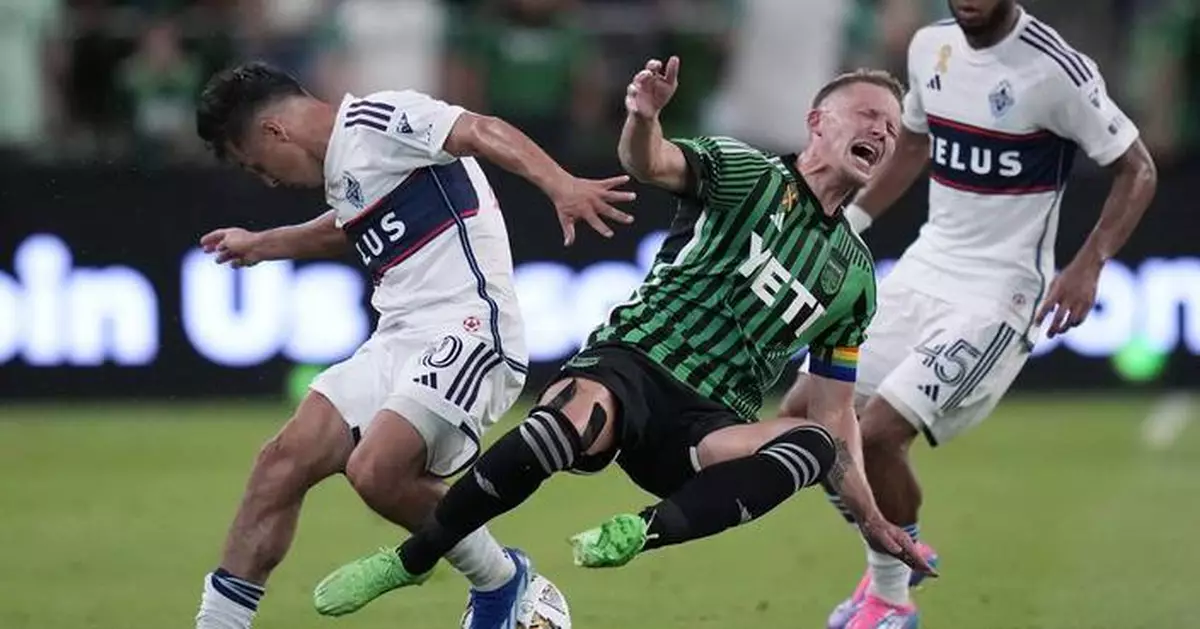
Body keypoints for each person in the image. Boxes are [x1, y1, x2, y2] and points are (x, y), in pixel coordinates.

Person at [310, 56, 937, 619]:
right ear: (817, 122)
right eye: (866, 114)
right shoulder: (751, 174)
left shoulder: (856, 278)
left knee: (815, 444)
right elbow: (652, 162)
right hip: (635, 361)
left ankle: (641, 532)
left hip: (708, 427)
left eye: (890, 126)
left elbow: (833, 411)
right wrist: (643, 117)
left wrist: (873, 519)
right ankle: (413, 559)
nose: (883, 131)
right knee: (567, 426)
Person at [190, 61, 636, 629]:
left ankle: (501, 578)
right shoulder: (347, 169)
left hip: (471, 327)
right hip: (398, 336)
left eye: (258, 166)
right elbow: (349, 224)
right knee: (280, 463)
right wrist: (264, 244)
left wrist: (561, 184)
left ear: (274, 132)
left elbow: (479, 130)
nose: (268, 181)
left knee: (375, 472)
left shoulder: (376, 119)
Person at [779, 2, 1158, 628]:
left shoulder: (1055, 69)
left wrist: (1090, 263)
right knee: (802, 418)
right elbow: (915, 146)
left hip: (998, 295)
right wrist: (845, 221)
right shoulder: (930, 49)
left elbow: (1136, 167)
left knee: (873, 434)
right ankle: (897, 547)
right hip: (926, 267)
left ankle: (891, 597)